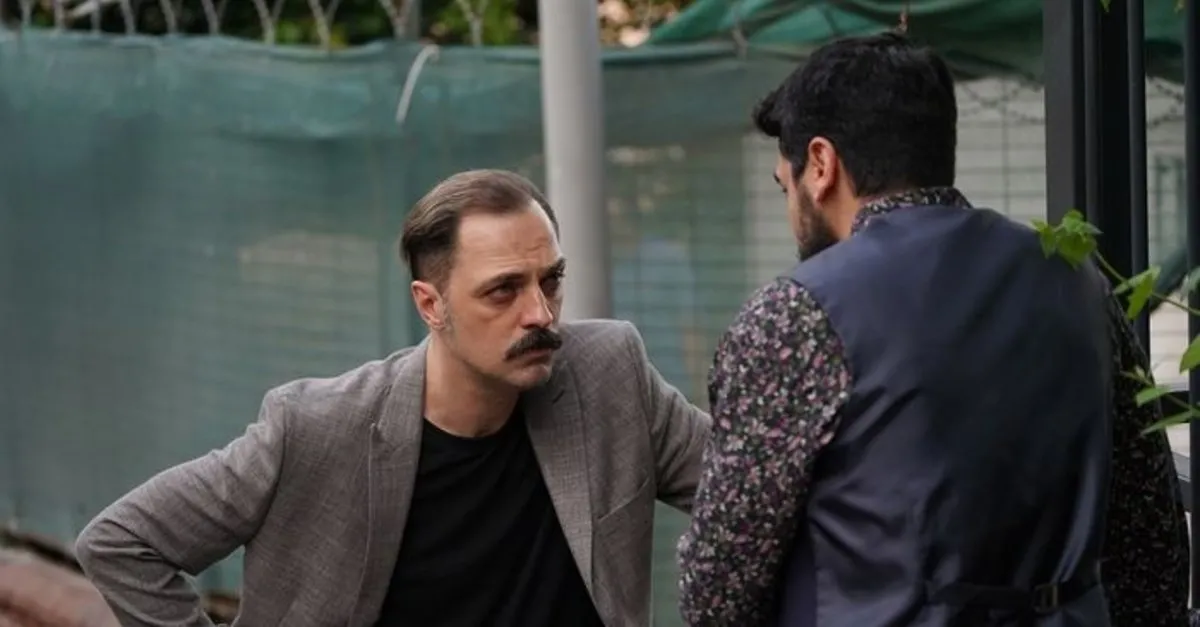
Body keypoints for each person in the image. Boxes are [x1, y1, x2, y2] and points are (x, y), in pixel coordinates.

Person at [677, 32, 1188, 626]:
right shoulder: (1079, 284)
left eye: (783, 184)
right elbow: (1150, 544)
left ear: (820, 164)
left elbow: (718, 593)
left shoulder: (796, 315)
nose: (791, 210)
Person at [75, 169, 712, 627]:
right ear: (430, 305)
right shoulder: (317, 428)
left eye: (550, 281)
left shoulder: (608, 374)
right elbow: (122, 543)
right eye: (503, 290)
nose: (540, 314)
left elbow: (746, 490)